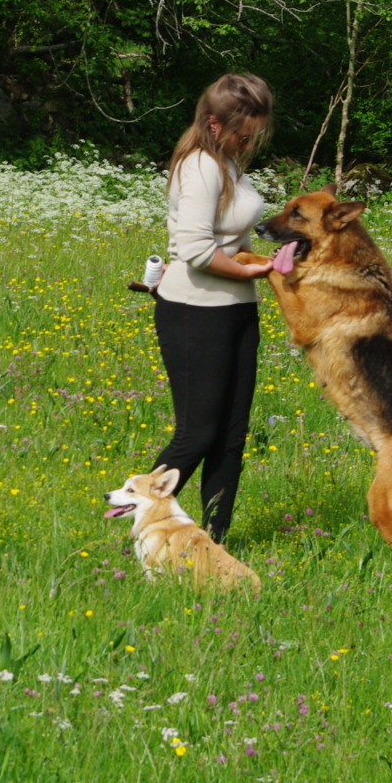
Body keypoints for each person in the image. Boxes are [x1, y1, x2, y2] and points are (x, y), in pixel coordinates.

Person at [150, 72, 275, 543]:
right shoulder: (199, 166)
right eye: (243, 134)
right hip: (194, 311)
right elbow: (197, 250)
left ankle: (212, 542)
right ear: (215, 124)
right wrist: (252, 271)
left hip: (236, 311)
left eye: (255, 135)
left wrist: (258, 264)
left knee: (230, 439)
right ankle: (143, 524)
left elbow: (231, 237)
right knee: (197, 435)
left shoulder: (226, 163)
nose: (248, 143)